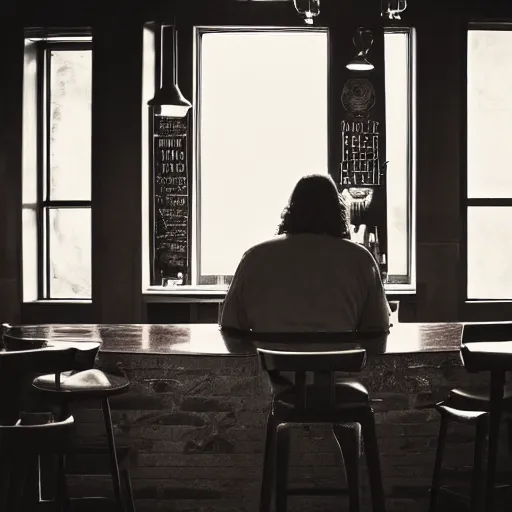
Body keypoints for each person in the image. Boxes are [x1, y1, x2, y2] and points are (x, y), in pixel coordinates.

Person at [219, 174, 391, 333]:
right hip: (340, 365)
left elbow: (230, 324)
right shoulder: (361, 260)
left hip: (271, 365)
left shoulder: (254, 257)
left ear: (291, 210)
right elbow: (377, 327)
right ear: (337, 211)